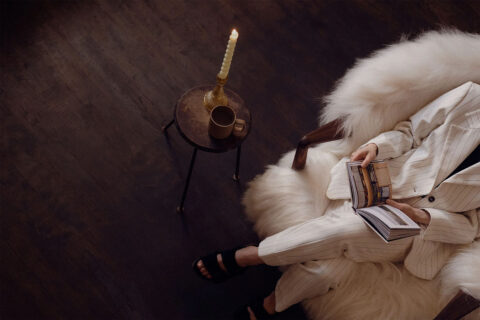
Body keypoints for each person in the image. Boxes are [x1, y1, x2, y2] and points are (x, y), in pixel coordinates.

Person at [193, 82, 480, 320]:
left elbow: (472, 228)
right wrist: (374, 146)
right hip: (379, 181)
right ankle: (270, 305)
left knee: (348, 229)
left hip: (415, 231)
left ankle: (251, 256)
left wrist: (422, 217)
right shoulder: (470, 95)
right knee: (327, 268)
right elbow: (410, 132)